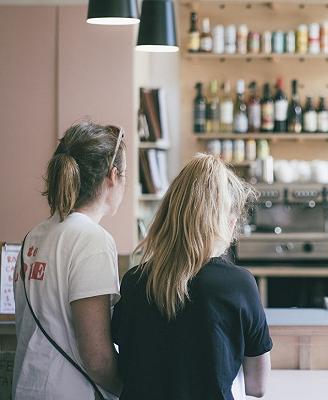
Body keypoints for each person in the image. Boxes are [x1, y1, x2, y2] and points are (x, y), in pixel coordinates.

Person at [112, 153, 272, 400]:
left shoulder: (133, 281)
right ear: (227, 223)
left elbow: (125, 365)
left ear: (168, 214)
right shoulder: (239, 285)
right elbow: (257, 386)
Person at [13, 121, 126, 399]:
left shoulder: (34, 237)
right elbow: (97, 358)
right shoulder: (92, 239)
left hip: (28, 387)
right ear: (113, 176)